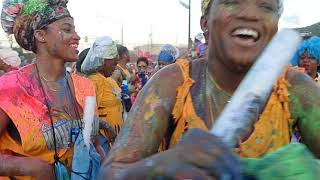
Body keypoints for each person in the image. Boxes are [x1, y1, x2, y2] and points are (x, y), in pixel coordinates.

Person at [100, 0, 320, 179]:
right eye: (232, 1)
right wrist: (160, 166)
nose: (251, 14)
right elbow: (111, 172)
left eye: (266, 6)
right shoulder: (172, 82)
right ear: (205, 22)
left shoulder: (295, 87)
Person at [0, 0, 112, 179]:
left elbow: (92, 142)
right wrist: (33, 168)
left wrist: (105, 165)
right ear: (40, 35)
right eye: (67, 29)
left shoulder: (85, 86)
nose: (77, 36)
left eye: (74, 29)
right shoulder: (10, 89)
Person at [81, 36, 124, 144]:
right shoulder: (95, 81)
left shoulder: (107, 80)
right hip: (102, 139)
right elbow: (88, 115)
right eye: (114, 63)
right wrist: (107, 126)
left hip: (112, 138)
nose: (116, 67)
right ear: (104, 61)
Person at [116, 45, 133, 113]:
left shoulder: (127, 68)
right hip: (124, 105)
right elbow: (119, 87)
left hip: (131, 102)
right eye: (128, 53)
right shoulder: (117, 69)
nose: (129, 55)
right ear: (124, 55)